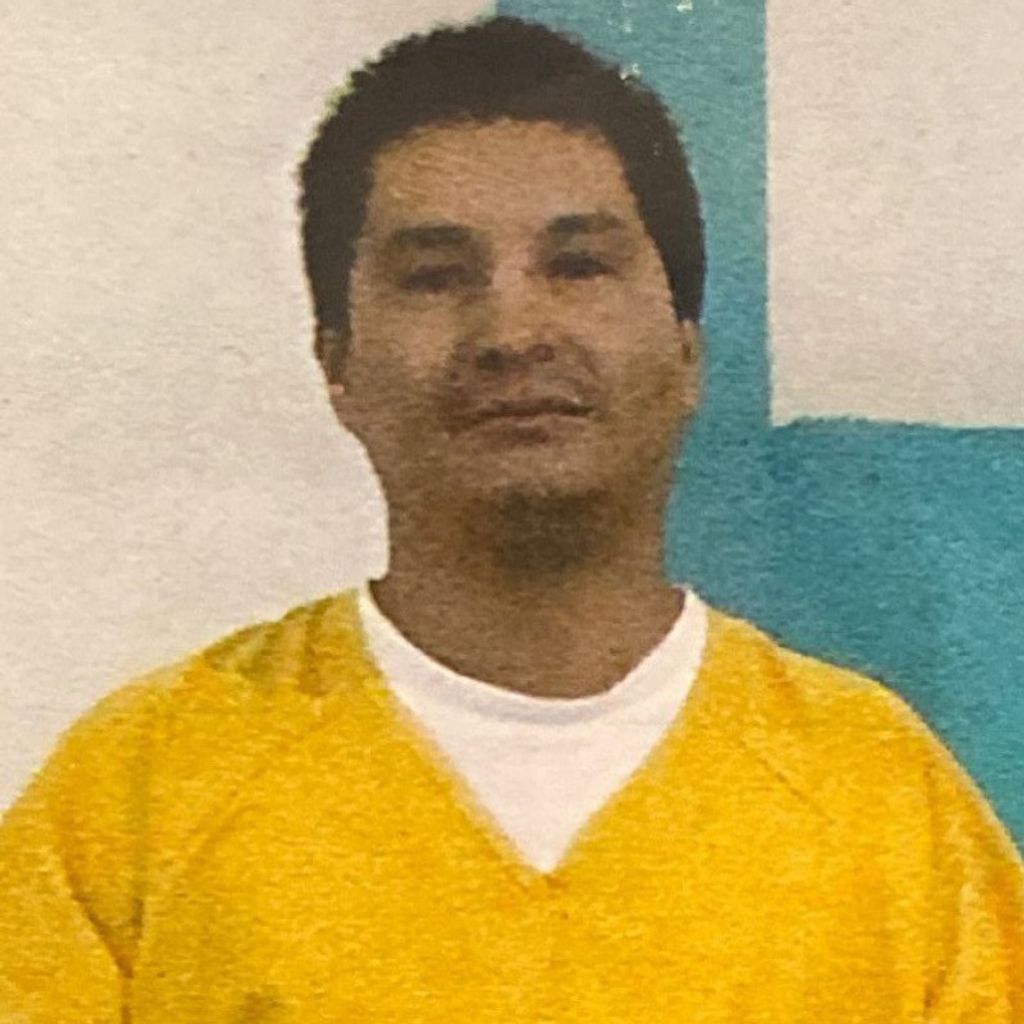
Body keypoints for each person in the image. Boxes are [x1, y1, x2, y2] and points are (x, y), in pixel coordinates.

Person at [1, 15, 1022, 1023]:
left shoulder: (883, 801)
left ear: (686, 352)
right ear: (336, 364)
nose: (513, 331)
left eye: (578, 266)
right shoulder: (139, 798)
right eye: (436, 277)